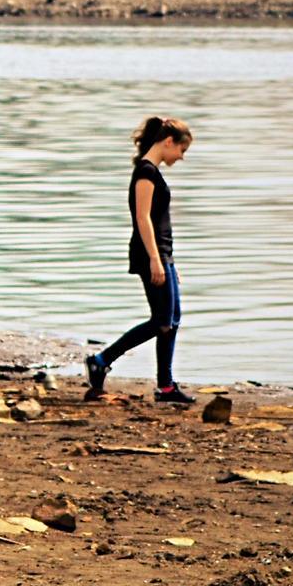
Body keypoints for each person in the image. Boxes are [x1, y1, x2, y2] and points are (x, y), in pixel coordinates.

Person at [85, 116, 195, 405]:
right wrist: (155, 261)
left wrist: (170, 262)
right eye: (181, 151)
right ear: (168, 142)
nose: (181, 158)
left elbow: (159, 221)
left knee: (171, 320)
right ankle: (101, 359)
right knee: (161, 321)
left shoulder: (154, 172)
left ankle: (166, 387)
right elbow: (142, 219)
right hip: (151, 255)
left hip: (163, 254)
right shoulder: (145, 173)